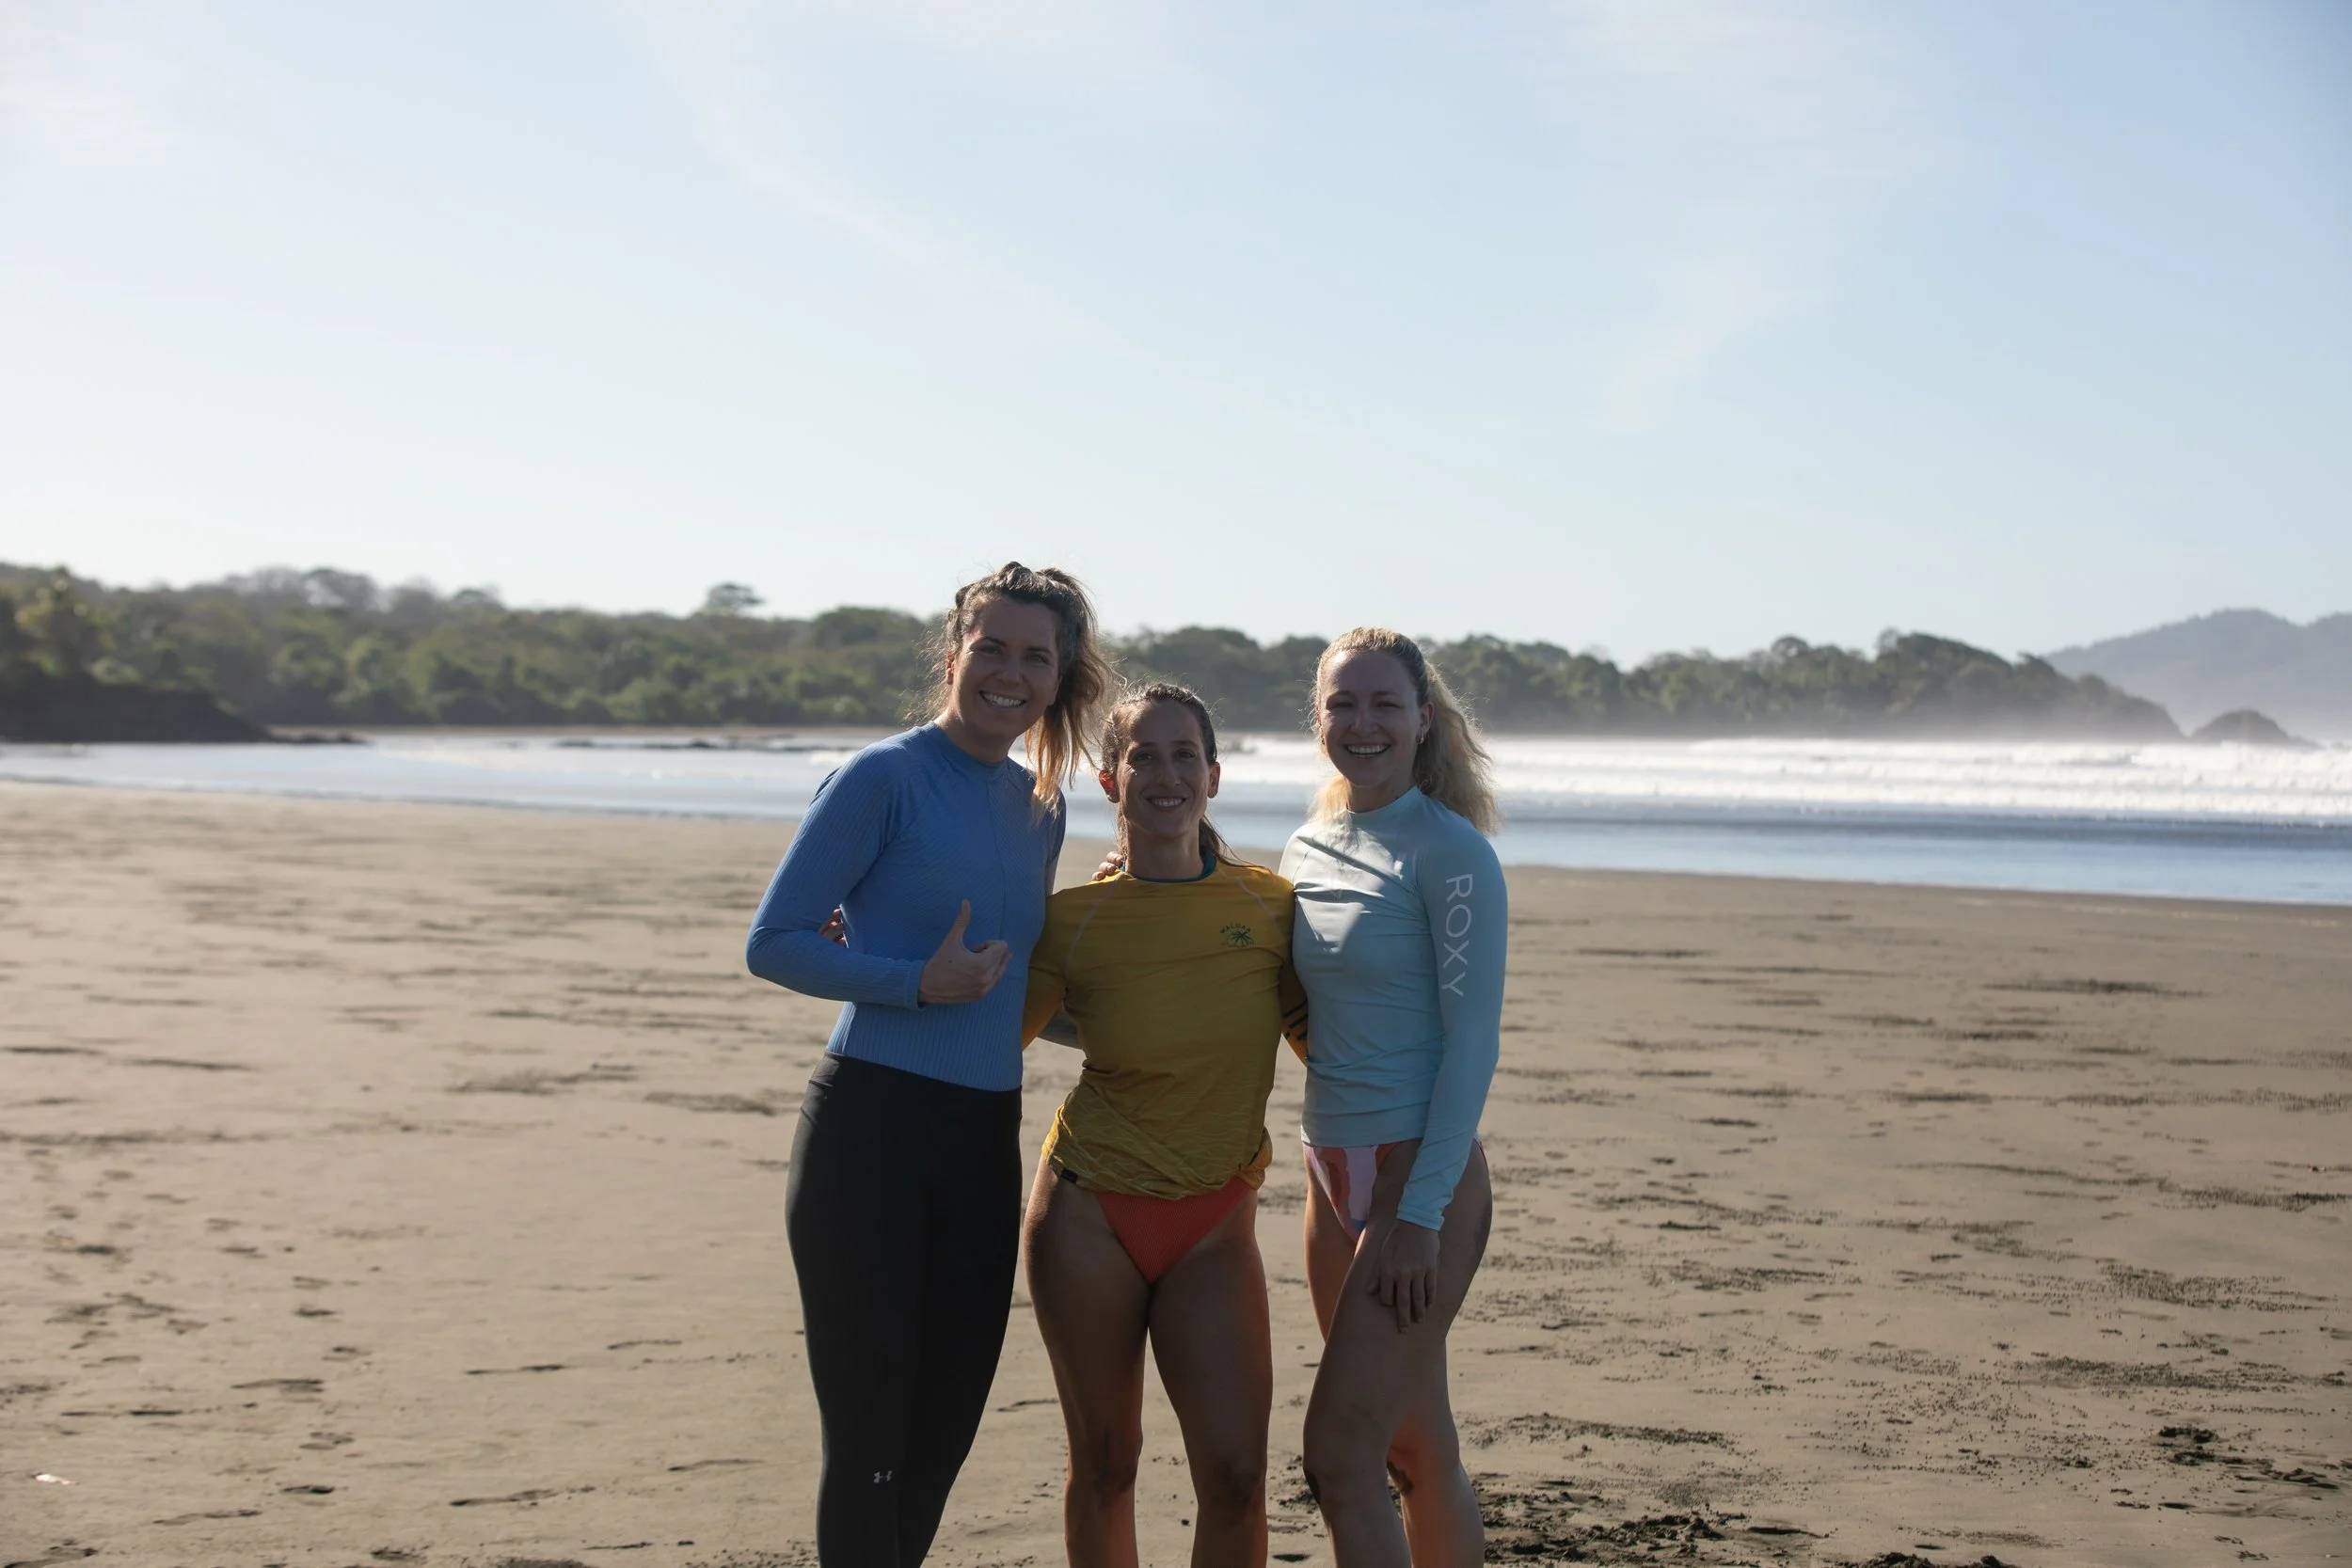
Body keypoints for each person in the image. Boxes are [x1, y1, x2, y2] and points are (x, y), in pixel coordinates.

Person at [745, 562, 1111, 1566]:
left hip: (980, 1139)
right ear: (953, 654)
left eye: (1034, 655)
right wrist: (912, 982)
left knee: (940, 1433)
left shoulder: (1040, 803)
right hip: (871, 1129)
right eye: (990, 646)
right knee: (869, 1440)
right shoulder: (882, 777)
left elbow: (1011, 980)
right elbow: (774, 940)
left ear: (1058, 676)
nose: (1009, 670)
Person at [1019, 683, 1310, 1568]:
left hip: (1214, 1224)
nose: (1167, 773)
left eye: (1186, 754)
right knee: (1106, 1462)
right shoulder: (1071, 921)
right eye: (1145, 755)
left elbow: (1332, 1044)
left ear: (1214, 776)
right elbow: (983, 1038)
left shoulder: (1271, 908)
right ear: (1111, 778)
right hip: (1087, 1215)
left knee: (1234, 1475)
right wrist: (872, 947)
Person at [1284, 627, 1506, 1567]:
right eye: (1343, 703)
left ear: (1422, 718)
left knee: (1339, 1450)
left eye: (1383, 704)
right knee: (1415, 1442)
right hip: (1328, 1169)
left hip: (1422, 1179)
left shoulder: (1451, 854)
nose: (1361, 722)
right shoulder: (1304, 845)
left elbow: (1471, 1046)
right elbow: (1291, 1005)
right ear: (1319, 718)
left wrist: (1416, 1211)